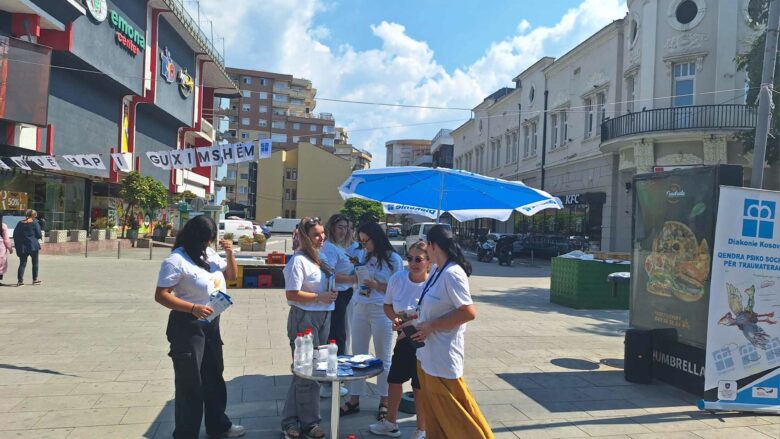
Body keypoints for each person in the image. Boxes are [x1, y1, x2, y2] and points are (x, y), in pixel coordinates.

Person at [154, 215, 245, 439]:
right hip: (188, 326)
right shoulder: (176, 260)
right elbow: (161, 295)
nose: (207, 244)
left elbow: (231, 276)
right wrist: (192, 308)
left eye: (210, 240)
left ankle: (219, 426)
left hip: (211, 323)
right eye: (205, 240)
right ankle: (186, 434)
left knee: (214, 376)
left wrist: (231, 253)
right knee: (190, 384)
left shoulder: (210, 253)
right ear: (195, 237)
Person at [411, 225, 492, 439]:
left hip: (443, 357)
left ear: (432, 245)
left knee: (458, 416)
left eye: (426, 245)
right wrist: (411, 319)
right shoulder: (438, 270)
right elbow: (432, 307)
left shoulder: (453, 273)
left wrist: (431, 326)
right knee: (436, 416)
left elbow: (468, 312)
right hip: (427, 355)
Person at [281, 217, 338, 439]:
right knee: (305, 372)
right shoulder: (298, 261)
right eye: (316, 234)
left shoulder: (319, 257)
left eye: (322, 233)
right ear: (304, 236)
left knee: (312, 370)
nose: (321, 237)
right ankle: (304, 422)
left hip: (324, 315)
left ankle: (298, 422)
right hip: (304, 317)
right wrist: (319, 296)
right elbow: (291, 293)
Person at [341, 221, 404, 421]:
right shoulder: (363, 254)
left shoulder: (393, 259)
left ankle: (384, 401)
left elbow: (399, 290)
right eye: (361, 241)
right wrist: (356, 271)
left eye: (366, 241)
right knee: (358, 356)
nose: (363, 245)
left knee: (383, 357)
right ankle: (354, 399)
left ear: (376, 237)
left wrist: (377, 285)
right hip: (360, 307)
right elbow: (356, 280)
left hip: (381, 310)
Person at [369, 241, 430, 439]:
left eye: (418, 259)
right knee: (394, 380)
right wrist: (394, 319)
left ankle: (421, 429)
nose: (413, 263)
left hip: (425, 341)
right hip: (403, 339)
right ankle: (390, 423)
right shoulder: (398, 278)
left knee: (419, 386)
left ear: (429, 261)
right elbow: (387, 306)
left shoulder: (433, 284)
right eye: (410, 258)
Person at [319, 214, 357, 398]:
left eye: (347, 227)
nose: (344, 230)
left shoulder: (341, 247)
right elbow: (329, 273)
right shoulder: (330, 248)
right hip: (338, 294)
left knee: (340, 335)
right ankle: (331, 381)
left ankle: (333, 378)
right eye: (340, 227)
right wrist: (353, 278)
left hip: (345, 293)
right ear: (332, 228)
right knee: (336, 336)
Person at [13, 209, 42, 287]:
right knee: (35, 263)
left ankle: (20, 281)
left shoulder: (20, 223)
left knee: (22, 263)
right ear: (33, 215)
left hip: (23, 247)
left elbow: (15, 235)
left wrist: (18, 245)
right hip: (33, 246)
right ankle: (35, 280)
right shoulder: (35, 222)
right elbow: (39, 234)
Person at [0, 213, 13, 286]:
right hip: (1, 247)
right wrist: (10, 248)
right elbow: (6, 240)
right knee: (1, 263)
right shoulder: (3, 226)